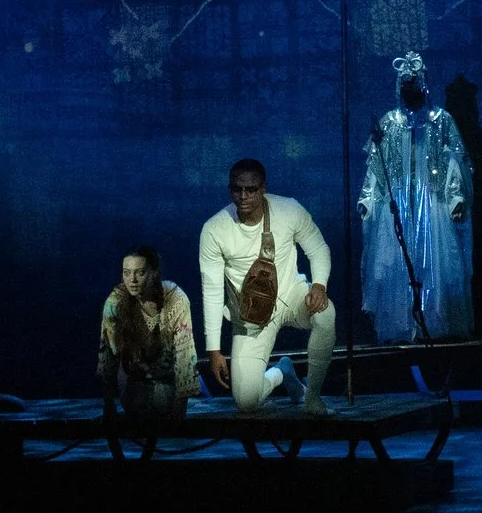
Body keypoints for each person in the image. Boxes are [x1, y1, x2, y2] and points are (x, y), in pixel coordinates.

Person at [199, 159, 336, 415]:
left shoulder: (289, 209)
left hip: (290, 296)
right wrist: (214, 350)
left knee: (326, 313)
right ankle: (282, 373)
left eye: (251, 189)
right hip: (250, 316)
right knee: (246, 402)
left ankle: (313, 396)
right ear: (230, 190)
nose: (243, 196)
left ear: (263, 188)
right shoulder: (214, 229)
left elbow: (318, 248)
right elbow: (212, 290)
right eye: (237, 189)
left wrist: (319, 285)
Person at [357, 51, 473, 342]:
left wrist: (455, 195)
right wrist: (368, 197)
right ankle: (402, 326)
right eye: (406, 86)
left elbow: (455, 159)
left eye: (415, 86)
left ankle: (432, 323)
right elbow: (376, 163)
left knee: (433, 264)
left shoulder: (441, 120)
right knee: (396, 262)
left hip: (432, 203)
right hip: (397, 203)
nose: (410, 92)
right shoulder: (389, 122)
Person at [97, 245, 198, 423]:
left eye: (140, 272)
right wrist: (108, 406)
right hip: (134, 381)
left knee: (165, 398)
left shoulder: (175, 299)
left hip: (169, 378)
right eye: (127, 273)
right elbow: (107, 355)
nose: (132, 280)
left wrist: (179, 410)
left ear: (154, 273)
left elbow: (185, 354)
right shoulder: (116, 301)